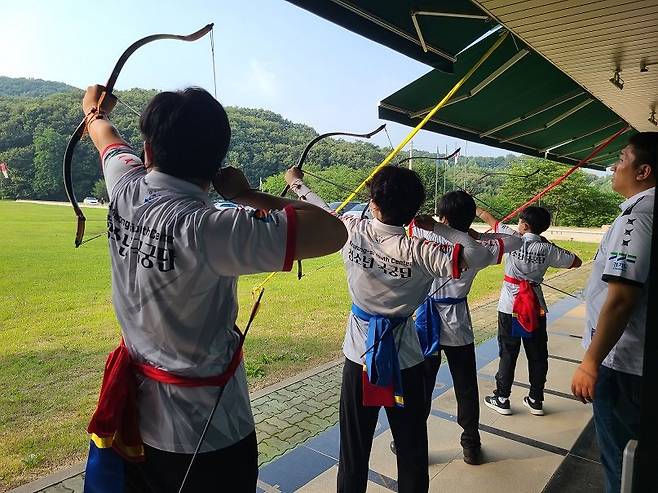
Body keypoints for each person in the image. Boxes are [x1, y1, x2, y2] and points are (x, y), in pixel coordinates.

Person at [79, 85, 347, 492]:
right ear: (217, 165)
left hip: (135, 425)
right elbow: (332, 230)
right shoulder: (211, 229)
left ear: (148, 150)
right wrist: (243, 194)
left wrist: (95, 112)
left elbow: (105, 135)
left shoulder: (124, 184)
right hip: (209, 436)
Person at [286, 166, 494, 493]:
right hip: (407, 362)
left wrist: (296, 183)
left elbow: (319, 208)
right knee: (411, 450)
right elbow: (479, 253)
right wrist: (437, 228)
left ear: (373, 204)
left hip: (359, 358)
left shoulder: (352, 230)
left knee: (353, 452)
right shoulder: (422, 251)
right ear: (414, 211)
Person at [410, 191, 523, 465]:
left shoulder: (426, 237)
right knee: (465, 386)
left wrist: (437, 227)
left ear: (443, 217)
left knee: (421, 387)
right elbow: (516, 240)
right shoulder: (478, 247)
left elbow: (413, 224)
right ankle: (470, 444)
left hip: (427, 323)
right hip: (457, 323)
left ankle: (413, 446)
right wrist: (475, 234)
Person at [571, 132, 656, 493]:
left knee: (623, 469)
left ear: (644, 171)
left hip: (623, 367)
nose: (613, 166)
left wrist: (591, 362)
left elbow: (621, 298)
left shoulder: (636, 218)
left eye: (622, 158)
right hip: (639, 364)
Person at [478, 205, 582, 416]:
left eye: (520, 222)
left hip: (510, 307)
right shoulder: (547, 248)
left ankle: (502, 397)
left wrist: (473, 205)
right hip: (535, 308)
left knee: (508, 352)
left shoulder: (512, 238)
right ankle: (535, 399)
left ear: (524, 225)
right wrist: (547, 245)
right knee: (537, 355)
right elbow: (576, 262)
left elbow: (487, 217)